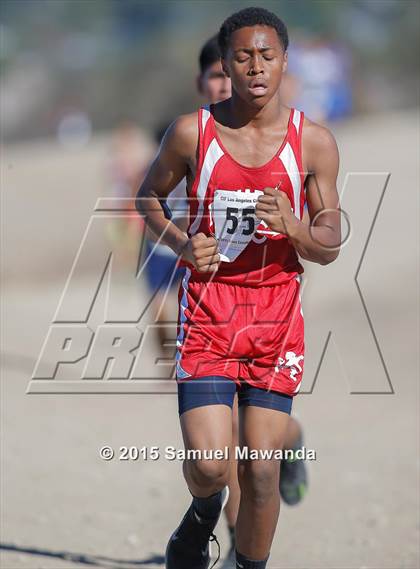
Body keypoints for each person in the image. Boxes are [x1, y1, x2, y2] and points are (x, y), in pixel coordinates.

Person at [136, 7, 341, 569]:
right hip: (208, 311)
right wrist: (182, 243)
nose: (255, 68)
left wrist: (296, 227)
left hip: (275, 318)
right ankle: (202, 514)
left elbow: (330, 240)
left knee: (261, 469)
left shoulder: (314, 142)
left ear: (284, 64)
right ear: (225, 62)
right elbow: (146, 197)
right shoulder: (191, 133)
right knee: (210, 464)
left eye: (267, 56)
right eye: (244, 57)